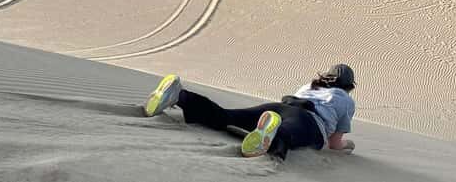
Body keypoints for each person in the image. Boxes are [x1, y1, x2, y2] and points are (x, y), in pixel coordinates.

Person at [143, 64, 357, 158]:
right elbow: (335, 143)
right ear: (348, 86)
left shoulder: (309, 87)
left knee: (225, 116)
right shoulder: (345, 100)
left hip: (279, 108)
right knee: (286, 136)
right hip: (309, 122)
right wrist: (348, 145)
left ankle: (181, 96)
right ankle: (271, 136)